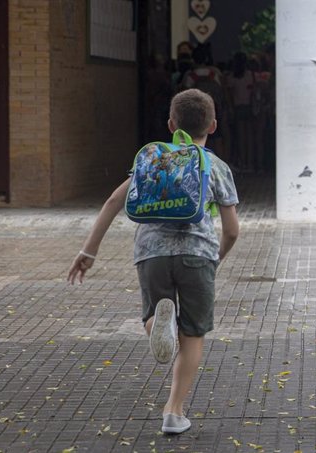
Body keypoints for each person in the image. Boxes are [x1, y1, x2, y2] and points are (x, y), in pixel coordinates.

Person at [67, 89, 240, 434]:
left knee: (153, 315)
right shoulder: (216, 167)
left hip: (152, 252)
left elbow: (114, 200)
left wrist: (89, 251)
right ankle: (174, 413)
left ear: (171, 124)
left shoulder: (154, 158)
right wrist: (214, 258)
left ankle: (161, 327)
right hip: (197, 254)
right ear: (214, 125)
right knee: (194, 334)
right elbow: (232, 230)